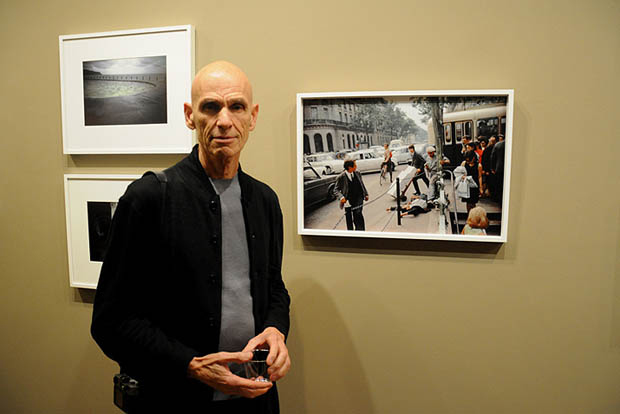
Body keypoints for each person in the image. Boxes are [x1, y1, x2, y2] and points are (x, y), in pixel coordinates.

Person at [91, 61, 291, 413]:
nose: (224, 121)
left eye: (237, 106)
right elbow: (111, 322)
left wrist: (276, 329)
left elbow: (274, 288)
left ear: (253, 116)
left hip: (255, 400)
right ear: (190, 115)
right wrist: (191, 365)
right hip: (175, 401)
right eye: (211, 107)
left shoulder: (265, 201)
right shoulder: (149, 198)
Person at [335, 159, 369, 230]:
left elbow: (361, 184)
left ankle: (361, 231)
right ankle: (351, 233)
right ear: (350, 167)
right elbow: (336, 190)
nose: (356, 166)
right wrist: (341, 198)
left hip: (359, 197)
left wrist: (366, 194)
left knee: (358, 213)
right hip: (348, 200)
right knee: (349, 217)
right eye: (355, 165)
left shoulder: (357, 173)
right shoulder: (341, 177)